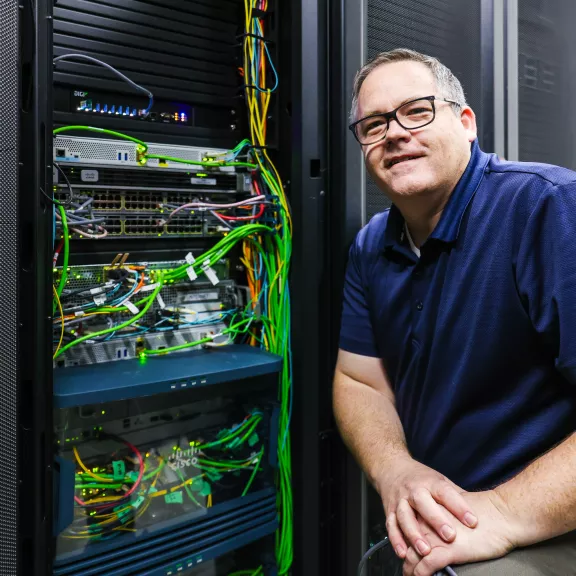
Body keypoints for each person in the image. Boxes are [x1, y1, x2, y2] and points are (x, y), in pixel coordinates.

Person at [333, 48, 576, 576]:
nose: (395, 133)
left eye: (417, 110)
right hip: (440, 521)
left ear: (466, 123)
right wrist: (395, 470)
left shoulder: (548, 206)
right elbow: (359, 381)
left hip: (545, 521)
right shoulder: (371, 246)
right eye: (374, 124)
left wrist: (506, 512)